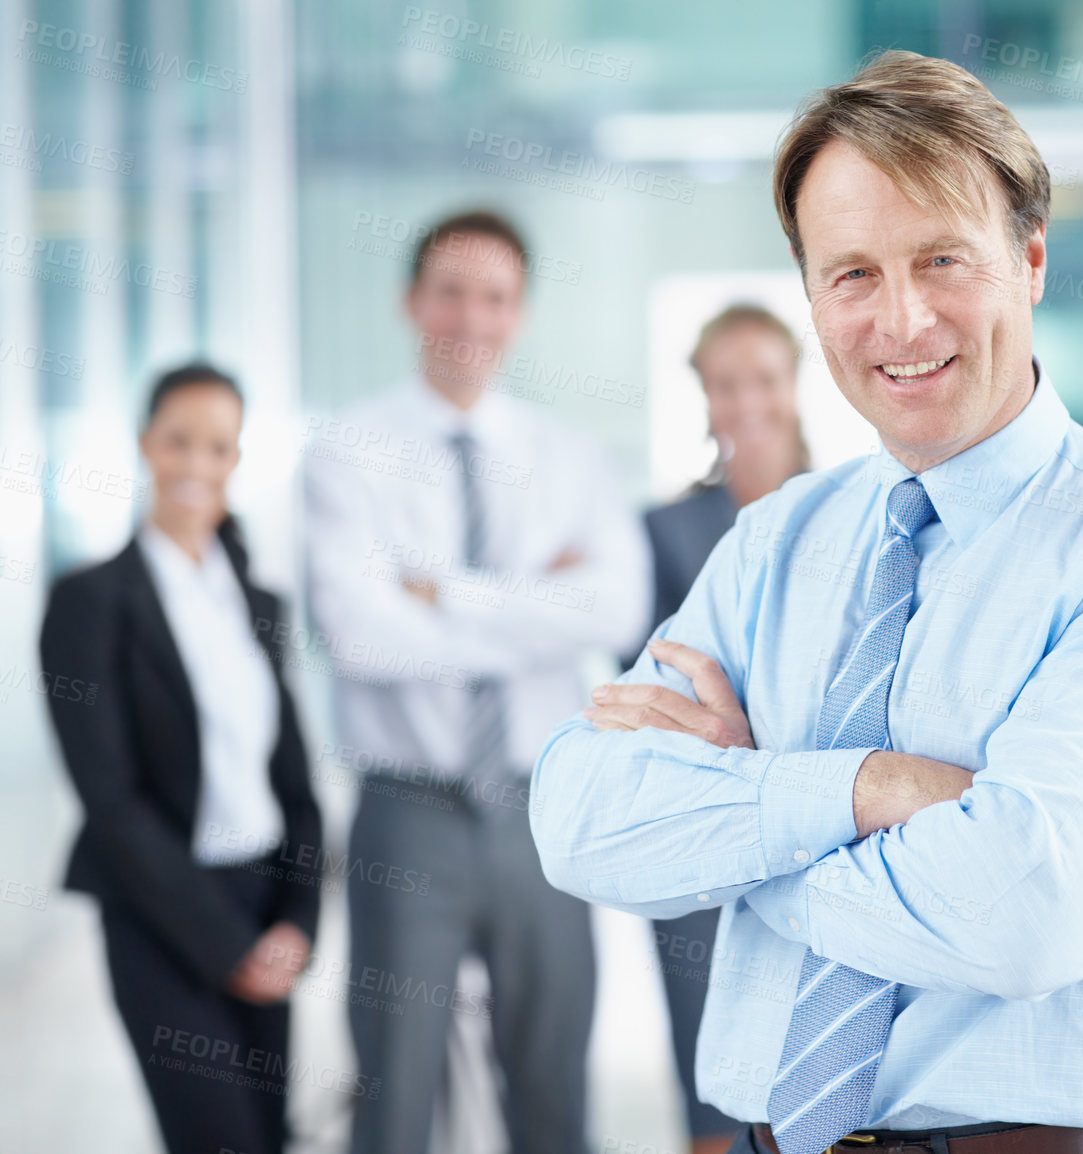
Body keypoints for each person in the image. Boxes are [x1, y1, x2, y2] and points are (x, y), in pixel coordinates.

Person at [533, 51, 1083, 1154]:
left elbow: (1026, 911)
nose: (903, 319)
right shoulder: (773, 541)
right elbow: (581, 818)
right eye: (853, 273)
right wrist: (868, 788)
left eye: (943, 259)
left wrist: (745, 826)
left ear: (1031, 261)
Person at [303, 209, 651, 1154]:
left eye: (494, 297)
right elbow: (359, 635)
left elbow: (614, 612)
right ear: (411, 301)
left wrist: (444, 593)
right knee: (395, 1097)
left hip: (545, 808)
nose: (471, 317)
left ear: (520, 313)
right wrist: (539, 605)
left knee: (552, 1094)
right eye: (451, 291)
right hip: (406, 808)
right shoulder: (347, 450)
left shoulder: (570, 459)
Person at [39, 362, 323, 1154]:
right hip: (160, 915)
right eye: (180, 442)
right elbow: (109, 797)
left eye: (219, 448)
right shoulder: (90, 601)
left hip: (264, 903)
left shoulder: (259, 603)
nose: (197, 465)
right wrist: (226, 948)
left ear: (236, 462)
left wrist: (297, 921)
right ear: (145, 446)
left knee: (268, 1137)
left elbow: (295, 781)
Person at [641, 303, 814, 1154]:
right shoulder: (664, 529)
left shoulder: (856, 506)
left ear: (794, 384)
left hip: (824, 826)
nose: (746, 401)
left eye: (763, 379)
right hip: (699, 831)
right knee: (716, 1100)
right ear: (703, 398)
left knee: (825, 1080)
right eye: (724, 384)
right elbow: (655, 696)